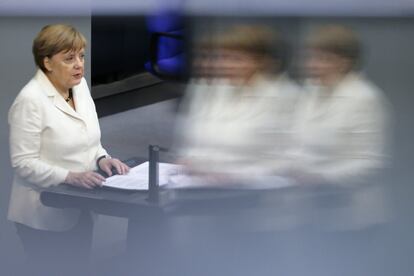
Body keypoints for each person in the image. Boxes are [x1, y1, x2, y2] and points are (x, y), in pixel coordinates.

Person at [7, 24, 129, 275]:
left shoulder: (79, 86)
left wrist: (102, 158)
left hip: (79, 205)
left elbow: (88, 138)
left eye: (81, 56)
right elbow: (23, 163)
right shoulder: (30, 101)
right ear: (48, 63)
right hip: (43, 214)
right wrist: (70, 177)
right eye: (69, 58)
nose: (79, 65)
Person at [173, 25, 301, 187]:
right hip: (202, 184)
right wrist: (192, 160)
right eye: (222, 58)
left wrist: (236, 175)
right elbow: (194, 140)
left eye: (235, 59)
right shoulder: (214, 88)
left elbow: (293, 160)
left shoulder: (285, 96)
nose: (224, 65)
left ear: (261, 62)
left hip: (258, 191)